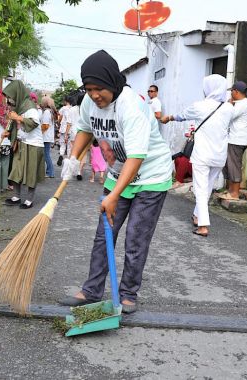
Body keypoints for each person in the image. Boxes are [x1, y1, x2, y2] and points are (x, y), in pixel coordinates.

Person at [59, 50, 173, 314]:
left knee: (135, 238)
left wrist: (112, 196)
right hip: (117, 174)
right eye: (89, 89)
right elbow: (85, 129)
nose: (95, 94)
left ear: (113, 82)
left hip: (150, 178)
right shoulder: (89, 103)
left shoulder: (131, 106)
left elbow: (136, 157)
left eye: (100, 88)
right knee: (104, 236)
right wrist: (73, 159)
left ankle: (128, 293)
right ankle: (91, 291)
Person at [161, 74, 234, 237]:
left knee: (201, 189)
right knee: (206, 187)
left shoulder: (200, 106)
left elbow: (181, 115)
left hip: (203, 154)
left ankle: (203, 226)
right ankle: (197, 216)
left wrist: (168, 118)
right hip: (219, 156)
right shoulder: (229, 108)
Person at [3, 80, 44, 209]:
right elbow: (16, 125)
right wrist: (7, 133)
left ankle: (29, 200)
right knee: (16, 171)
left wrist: (18, 118)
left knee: (31, 173)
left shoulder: (29, 106)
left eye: (10, 97)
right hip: (21, 143)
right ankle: (16, 196)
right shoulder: (18, 107)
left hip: (33, 145)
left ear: (17, 94)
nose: (9, 100)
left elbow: (33, 123)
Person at [218, 80, 247, 200]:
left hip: (237, 140)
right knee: (229, 165)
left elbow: (228, 116)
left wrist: (228, 104)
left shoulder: (242, 104)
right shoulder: (241, 103)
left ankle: (235, 194)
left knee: (234, 166)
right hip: (234, 139)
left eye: (231, 91)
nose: (230, 93)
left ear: (236, 91)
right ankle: (231, 191)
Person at [41, 95, 56, 178]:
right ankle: (49, 171)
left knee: (46, 154)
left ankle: (50, 172)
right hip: (48, 136)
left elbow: (45, 125)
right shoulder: (51, 111)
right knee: (47, 154)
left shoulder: (46, 112)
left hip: (45, 136)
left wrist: (40, 132)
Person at [57, 97, 72, 166]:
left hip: (63, 128)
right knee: (69, 146)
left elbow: (60, 116)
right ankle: (68, 159)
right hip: (70, 129)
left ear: (66, 101)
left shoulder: (63, 108)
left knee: (62, 144)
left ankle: (61, 155)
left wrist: (59, 122)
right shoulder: (72, 108)